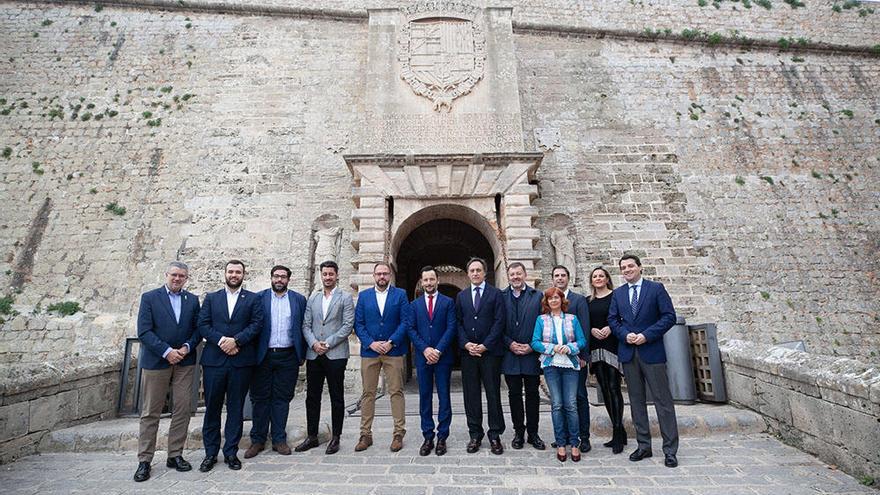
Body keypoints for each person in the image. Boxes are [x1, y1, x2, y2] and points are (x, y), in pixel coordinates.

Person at [608, 254, 680, 468]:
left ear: (640, 267)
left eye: (631, 266)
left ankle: (669, 450)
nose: (627, 270)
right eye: (623, 267)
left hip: (652, 351)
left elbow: (669, 317)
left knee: (663, 402)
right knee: (636, 401)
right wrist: (624, 335)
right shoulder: (618, 294)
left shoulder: (655, 289)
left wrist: (647, 335)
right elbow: (613, 320)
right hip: (629, 353)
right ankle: (644, 445)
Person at [134, 261, 201, 482]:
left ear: (186, 278)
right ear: (166, 275)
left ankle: (175, 455)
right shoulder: (150, 298)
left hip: (185, 362)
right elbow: (144, 331)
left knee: (182, 410)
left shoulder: (191, 300)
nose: (177, 279)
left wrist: (186, 348)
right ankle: (145, 460)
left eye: (182, 276)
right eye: (174, 275)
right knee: (151, 412)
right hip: (156, 362)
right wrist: (166, 351)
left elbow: (196, 330)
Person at [197, 260, 264, 472]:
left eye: (238, 272)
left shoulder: (253, 299)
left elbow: (257, 324)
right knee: (212, 409)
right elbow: (202, 324)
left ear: (244, 274)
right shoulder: (212, 298)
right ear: (225, 273)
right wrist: (222, 341)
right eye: (231, 271)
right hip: (214, 362)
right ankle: (210, 453)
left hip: (241, 361)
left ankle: (231, 452)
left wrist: (237, 341)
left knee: (235, 409)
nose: (234, 275)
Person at [244, 265, 307, 459]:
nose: (279, 280)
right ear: (271, 278)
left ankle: (279, 439)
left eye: (283, 277)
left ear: (289, 279)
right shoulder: (259, 298)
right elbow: (252, 325)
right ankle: (258, 440)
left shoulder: (298, 300)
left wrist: (301, 354)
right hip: (263, 355)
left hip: (288, 355)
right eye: (276, 276)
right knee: (260, 398)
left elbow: (303, 327)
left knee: (282, 398)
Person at [296, 260, 354, 455]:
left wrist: (327, 343)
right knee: (312, 397)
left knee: (337, 397)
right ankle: (312, 436)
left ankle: (336, 437)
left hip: (335, 354)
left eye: (331, 274)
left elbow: (347, 325)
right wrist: (313, 343)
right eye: (325, 274)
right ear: (321, 275)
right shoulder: (313, 298)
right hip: (314, 354)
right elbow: (306, 324)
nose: (328, 277)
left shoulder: (345, 297)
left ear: (337, 275)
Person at [354, 262, 412, 452]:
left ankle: (398, 433)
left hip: (393, 351)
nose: (382, 277)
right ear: (374, 275)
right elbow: (359, 323)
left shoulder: (400, 295)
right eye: (379, 274)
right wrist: (370, 343)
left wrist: (391, 341)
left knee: (396, 391)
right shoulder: (364, 296)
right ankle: (365, 434)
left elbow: (405, 321)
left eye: (385, 274)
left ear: (390, 276)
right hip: (370, 351)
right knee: (368, 393)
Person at [531, 287, 587, 463]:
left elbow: (582, 340)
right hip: (551, 365)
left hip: (570, 364)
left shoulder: (572, 319)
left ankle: (575, 443)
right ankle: (561, 443)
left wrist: (570, 348)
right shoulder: (541, 320)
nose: (553, 301)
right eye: (550, 298)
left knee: (571, 404)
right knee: (557, 404)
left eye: (556, 297)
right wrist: (552, 348)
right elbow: (535, 342)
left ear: (562, 300)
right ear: (546, 302)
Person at [456, 257, 506, 455]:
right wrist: (466, 344)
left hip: (490, 353)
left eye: (478, 270)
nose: (475, 273)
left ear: (485, 273)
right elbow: (458, 322)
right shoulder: (462, 296)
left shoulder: (496, 294)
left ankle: (495, 434)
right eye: (472, 270)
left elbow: (499, 322)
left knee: (493, 394)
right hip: (469, 354)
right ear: (468, 274)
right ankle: (475, 434)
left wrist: (486, 345)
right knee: (471, 395)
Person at [407, 266, 457, 456]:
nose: (428, 283)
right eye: (425, 280)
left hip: (443, 357)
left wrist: (437, 350)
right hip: (422, 357)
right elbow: (411, 329)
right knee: (425, 397)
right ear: (422, 282)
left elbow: (451, 328)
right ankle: (428, 436)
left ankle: (442, 436)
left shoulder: (448, 303)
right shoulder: (414, 305)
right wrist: (425, 349)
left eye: (431, 279)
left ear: (437, 280)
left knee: (444, 396)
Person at [500, 262, 545, 451]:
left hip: (531, 354)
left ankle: (533, 433)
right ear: (508, 276)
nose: (516, 277)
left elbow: (544, 324)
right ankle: (519, 431)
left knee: (533, 395)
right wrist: (509, 343)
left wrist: (532, 346)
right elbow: (497, 326)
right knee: (514, 395)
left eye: (519, 273)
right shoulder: (500, 297)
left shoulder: (538, 296)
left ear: (525, 275)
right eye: (512, 274)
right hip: (510, 354)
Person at [551, 265, 591, 453]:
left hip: (576, 358)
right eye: (556, 276)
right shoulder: (550, 299)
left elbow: (584, 327)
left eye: (562, 275)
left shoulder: (579, 300)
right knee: (560, 399)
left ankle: (583, 437)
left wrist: (583, 355)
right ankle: (564, 436)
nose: (559, 278)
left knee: (579, 397)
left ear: (568, 277)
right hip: (555, 359)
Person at [587, 266, 626, 454]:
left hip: (612, 345)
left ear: (607, 278)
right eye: (595, 276)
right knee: (604, 387)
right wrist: (591, 330)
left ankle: (618, 430)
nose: (598, 278)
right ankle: (618, 428)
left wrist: (611, 328)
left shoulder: (616, 297)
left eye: (601, 276)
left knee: (614, 387)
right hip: (596, 346)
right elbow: (586, 322)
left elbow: (622, 317)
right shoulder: (589, 301)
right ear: (592, 280)